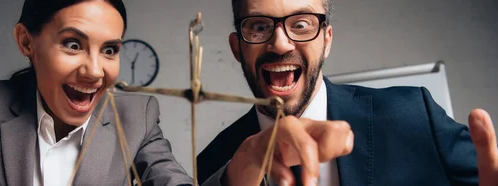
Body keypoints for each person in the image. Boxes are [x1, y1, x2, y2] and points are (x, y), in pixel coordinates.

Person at [197, 0, 497, 186]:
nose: (281, 44)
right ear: (237, 48)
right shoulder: (214, 165)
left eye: (301, 24)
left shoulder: (413, 114)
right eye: (259, 26)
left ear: (327, 40)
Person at [0, 0, 193, 185]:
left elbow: (170, 178)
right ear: (27, 42)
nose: (95, 71)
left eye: (109, 50)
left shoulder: (137, 118)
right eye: (73, 44)